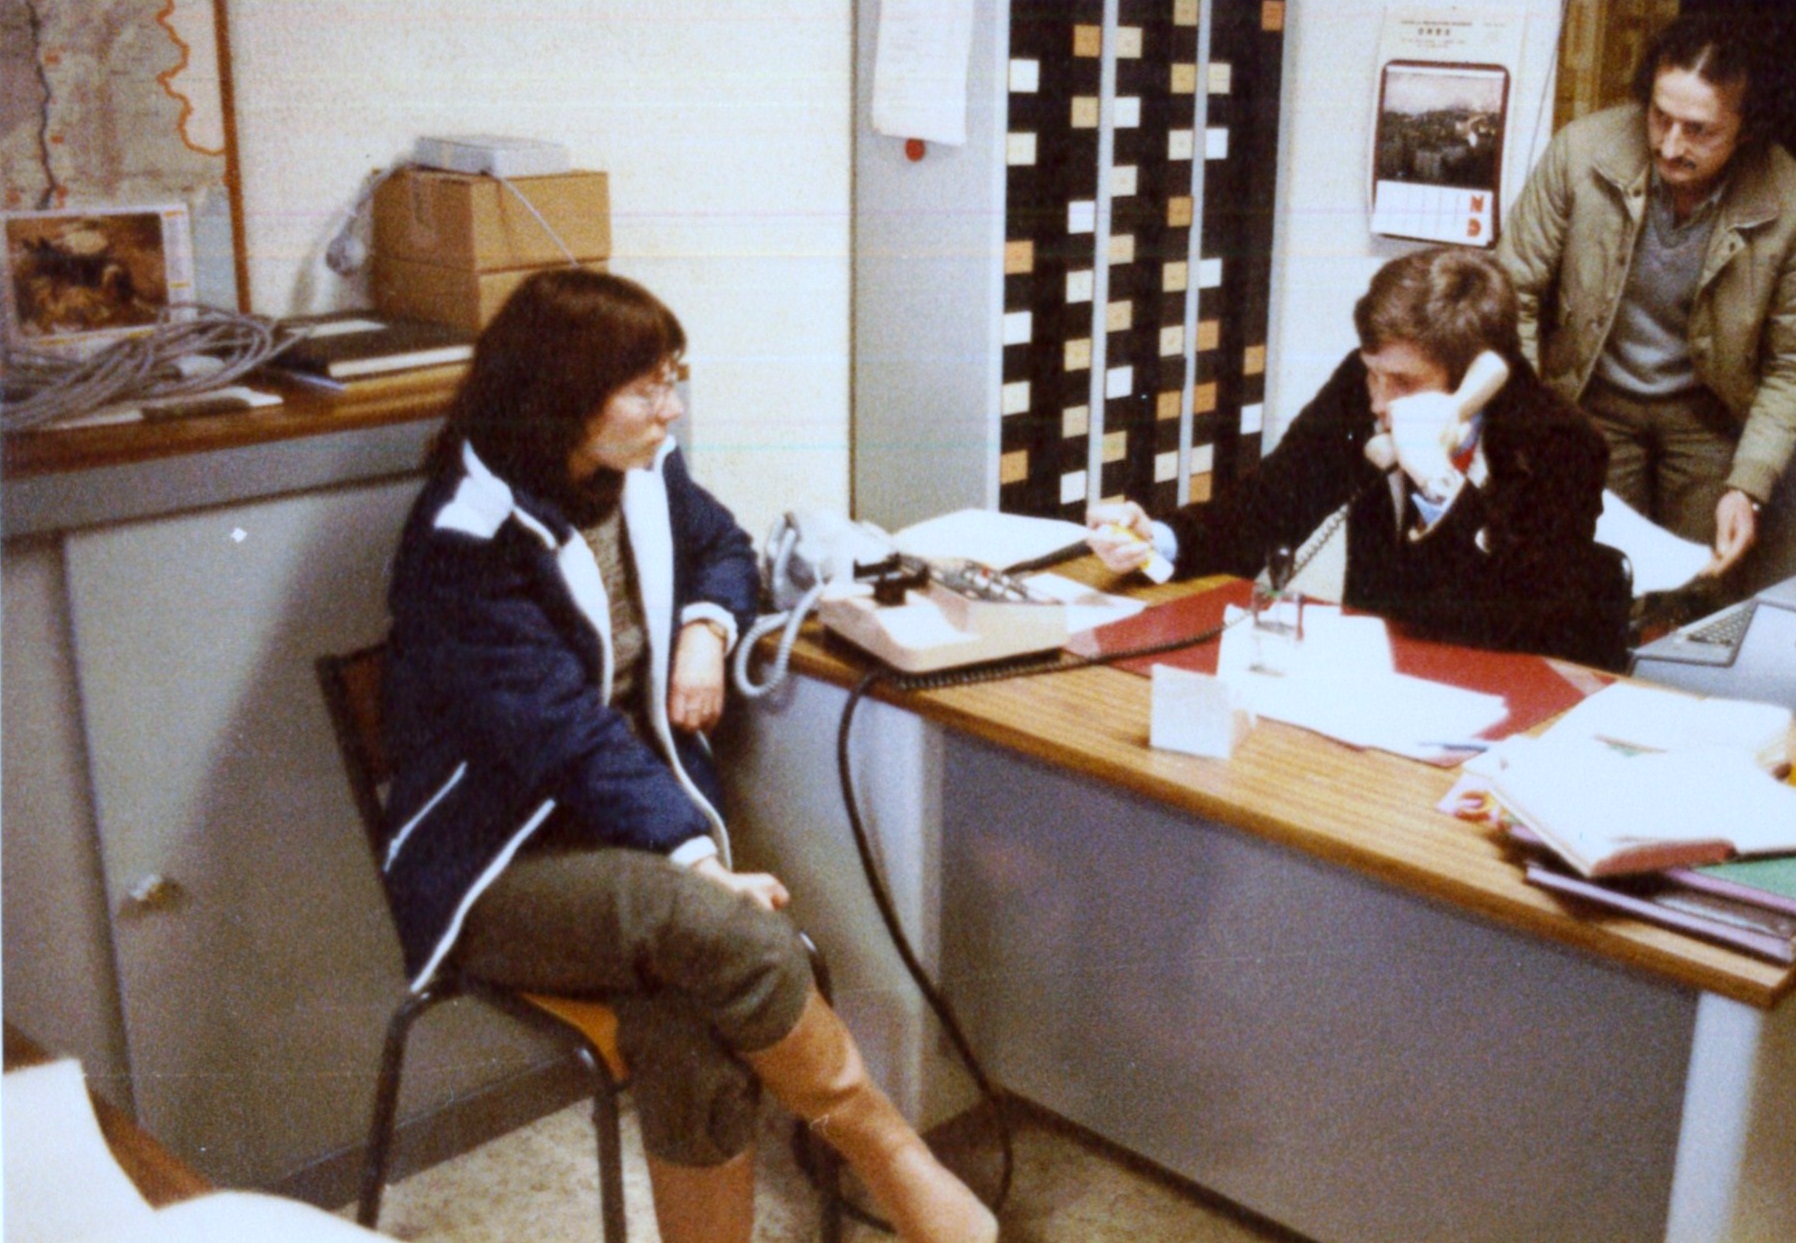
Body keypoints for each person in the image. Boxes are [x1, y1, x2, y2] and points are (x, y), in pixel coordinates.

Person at [379, 269, 997, 1243]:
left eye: (675, 378)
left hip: (620, 835)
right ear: (563, 396)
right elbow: (564, 734)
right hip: (493, 861)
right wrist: (697, 862)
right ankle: (892, 1158)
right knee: (725, 932)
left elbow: (724, 548)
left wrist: (706, 630)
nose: (672, 407)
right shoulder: (464, 539)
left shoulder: (638, 472)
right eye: (646, 387)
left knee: (692, 1026)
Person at [1087, 244, 1622, 668]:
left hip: (1495, 693)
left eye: (1403, 382)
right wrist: (1158, 539)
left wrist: (1440, 485)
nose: (1378, 401)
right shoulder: (1362, 384)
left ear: (1476, 379)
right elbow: (1268, 505)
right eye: (1372, 372)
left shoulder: (1561, 443)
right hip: (1375, 674)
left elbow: (1522, 620)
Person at [1494, 13, 1796, 579]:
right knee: (1589, 576)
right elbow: (1512, 294)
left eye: (1699, 130)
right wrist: (1530, 421)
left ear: (1747, 128)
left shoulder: (1792, 204)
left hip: (1708, 416)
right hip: (1590, 400)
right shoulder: (1581, 153)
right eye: (1659, 117)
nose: (1671, 146)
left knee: (1699, 586)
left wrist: (1749, 485)